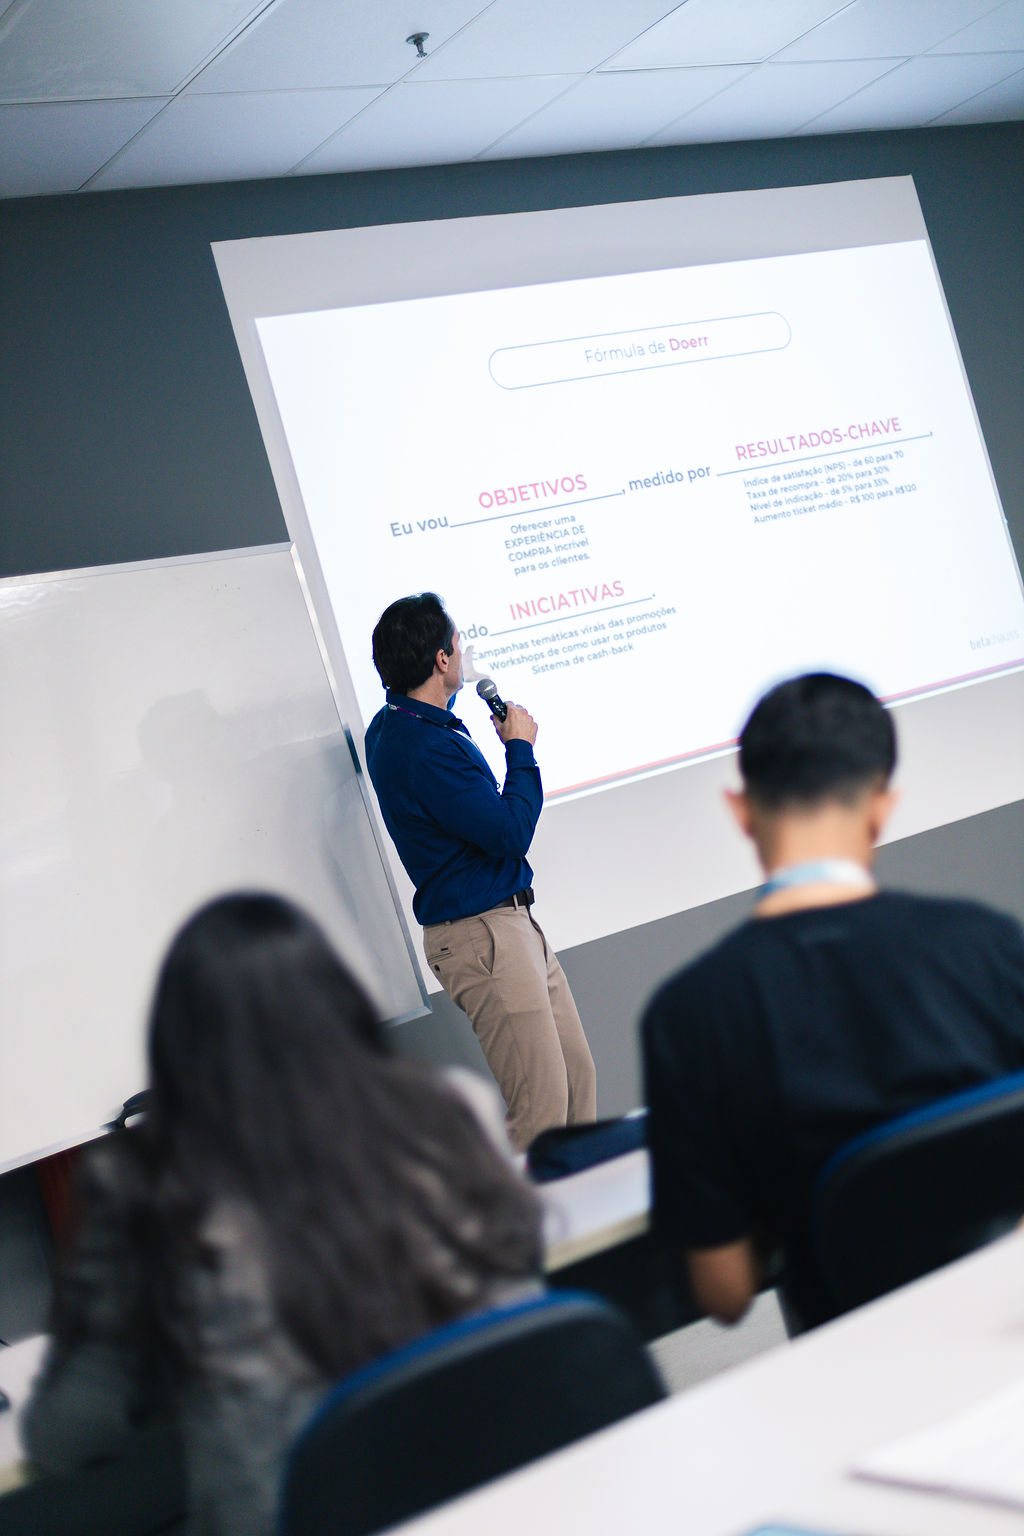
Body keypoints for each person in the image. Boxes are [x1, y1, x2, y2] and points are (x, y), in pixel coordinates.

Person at [23, 893, 543, 1536]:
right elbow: (519, 1307)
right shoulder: (452, 1112)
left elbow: (67, 1436)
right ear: (341, 1002)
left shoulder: (146, 1183)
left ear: (178, 1041)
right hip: (495, 1502)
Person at [641, 672, 1024, 1329]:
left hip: (852, 1363)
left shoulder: (687, 1015)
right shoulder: (990, 945)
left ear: (740, 811)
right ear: (881, 807)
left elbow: (725, 1292)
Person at [365, 592, 596, 1152]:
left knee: (575, 1081)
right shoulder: (424, 746)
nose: (463, 650)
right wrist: (520, 750)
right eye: (458, 640)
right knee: (541, 1111)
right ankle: (515, 1210)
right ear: (442, 659)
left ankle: (587, 1199)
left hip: (508, 924)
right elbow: (510, 834)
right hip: (483, 933)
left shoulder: (401, 725)